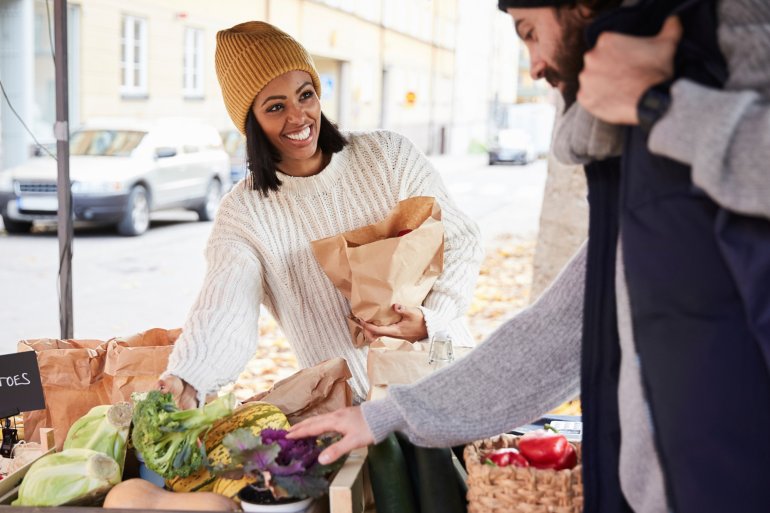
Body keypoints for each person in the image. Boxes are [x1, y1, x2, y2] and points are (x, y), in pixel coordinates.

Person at [290, 1, 770, 511]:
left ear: (584, 8)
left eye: (530, 32)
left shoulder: (701, 97)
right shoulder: (643, 157)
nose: (535, 64)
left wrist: (662, 106)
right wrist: (382, 417)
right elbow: (556, 333)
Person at [157, 21, 483, 409]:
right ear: (251, 122)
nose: (298, 117)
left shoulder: (388, 157)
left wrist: (431, 319)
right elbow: (225, 306)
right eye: (276, 107)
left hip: (445, 379)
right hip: (354, 412)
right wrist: (190, 376)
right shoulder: (245, 214)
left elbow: (460, 240)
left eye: (305, 95)